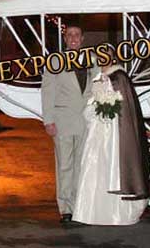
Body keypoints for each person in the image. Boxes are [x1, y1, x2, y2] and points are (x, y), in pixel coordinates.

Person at [72, 61, 150, 225]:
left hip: (113, 133)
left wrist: (102, 109)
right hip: (99, 131)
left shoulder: (118, 77)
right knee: (96, 167)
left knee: (111, 166)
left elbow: (122, 106)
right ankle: (94, 211)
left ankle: (118, 212)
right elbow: (93, 104)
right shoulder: (101, 77)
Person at [41, 25, 98, 223]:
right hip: (62, 121)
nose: (73, 38)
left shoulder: (93, 59)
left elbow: (99, 85)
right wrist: (48, 120)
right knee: (65, 166)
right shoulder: (55, 61)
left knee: (82, 165)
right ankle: (65, 207)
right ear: (65, 39)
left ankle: (79, 205)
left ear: (83, 38)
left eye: (77, 35)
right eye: (69, 35)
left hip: (85, 121)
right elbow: (47, 92)